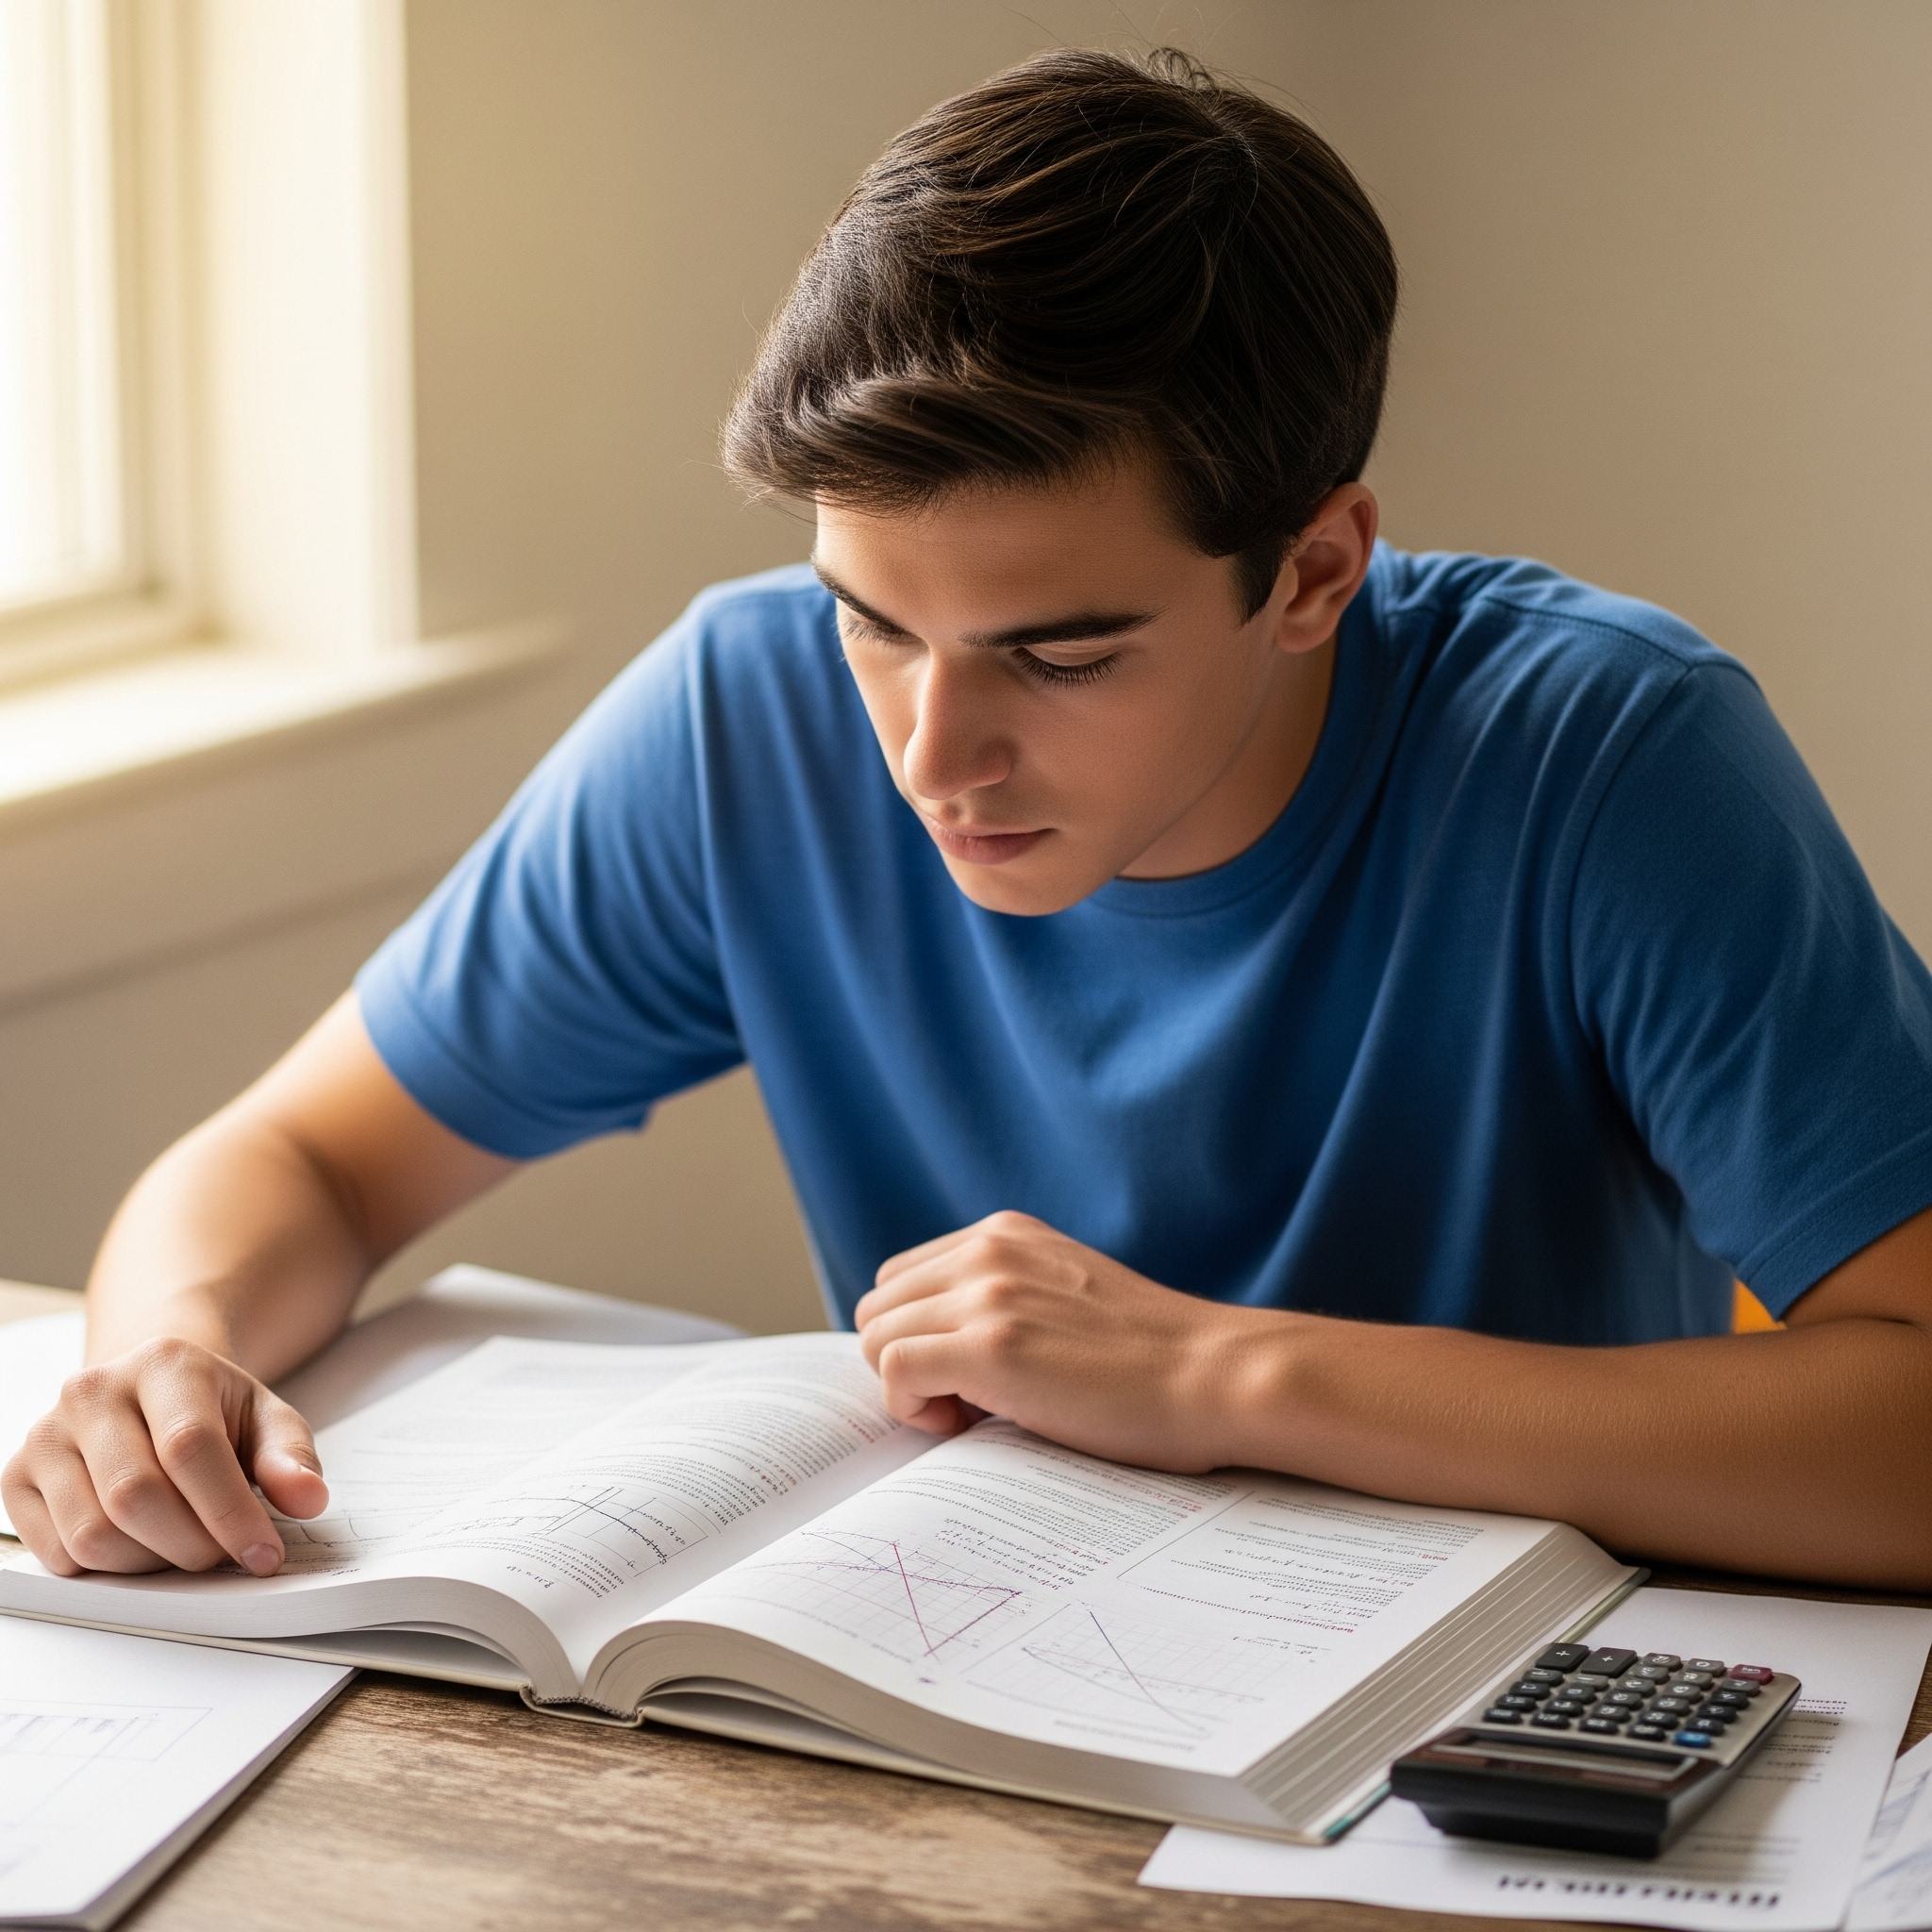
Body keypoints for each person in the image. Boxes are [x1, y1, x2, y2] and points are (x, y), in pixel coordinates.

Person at [7, 48, 1930, 1594]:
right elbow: (305, 1161)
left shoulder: (1604, 758)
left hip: (1490, 1757)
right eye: (873, 623)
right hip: (972, 1709)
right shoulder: (742, 713)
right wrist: (159, 1359)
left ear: (1317, 567)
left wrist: (1206, 1372)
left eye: (1062, 654)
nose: (935, 750)